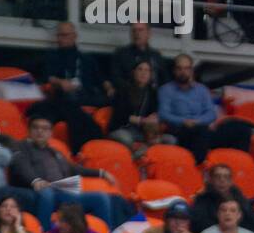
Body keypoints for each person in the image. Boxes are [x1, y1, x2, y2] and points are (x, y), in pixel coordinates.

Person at [8, 113, 121, 231]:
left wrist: (101, 173)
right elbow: (21, 167)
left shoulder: (54, 152)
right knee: (46, 192)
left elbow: (74, 168)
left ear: (51, 133)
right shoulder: (20, 147)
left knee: (100, 198)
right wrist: (35, 181)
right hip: (34, 190)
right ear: (29, 130)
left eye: (45, 128)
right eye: (36, 127)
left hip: (61, 192)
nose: (40, 131)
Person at [157, 55, 251, 163]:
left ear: (192, 70)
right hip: (180, 130)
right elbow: (163, 114)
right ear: (174, 71)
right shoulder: (166, 90)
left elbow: (211, 113)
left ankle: (238, 164)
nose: (183, 72)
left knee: (242, 128)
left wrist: (198, 121)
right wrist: (183, 121)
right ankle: (197, 166)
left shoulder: (201, 89)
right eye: (179, 68)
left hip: (202, 128)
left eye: (187, 68)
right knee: (201, 131)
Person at [39, 22, 105, 154]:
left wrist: (108, 85)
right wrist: (59, 82)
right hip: (62, 99)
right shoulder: (52, 57)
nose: (60, 39)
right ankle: (80, 149)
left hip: (86, 97)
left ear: (74, 36)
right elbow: (45, 78)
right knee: (68, 105)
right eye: (59, 35)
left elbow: (99, 82)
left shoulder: (87, 59)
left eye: (64, 35)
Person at [189, 162, 254, 233]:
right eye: (217, 177)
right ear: (211, 180)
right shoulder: (202, 199)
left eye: (226, 177)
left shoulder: (240, 198)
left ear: (231, 181)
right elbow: (199, 226)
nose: (222, 180)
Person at [107, 60, 162, 150]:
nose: (143, 73)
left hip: (142, 130)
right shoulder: (123, 90)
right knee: (127, 139)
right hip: (122, 128)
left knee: (168, 139)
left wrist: (153, 117)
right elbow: (119, 115)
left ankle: (142, 156)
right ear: (134, 72)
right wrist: (140, 120)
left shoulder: (152, 93)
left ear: (150, 74)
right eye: (140, 69)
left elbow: (153, 113)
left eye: (147, 70)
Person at [107, 22, 167, 94]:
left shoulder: (156, 56)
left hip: (153, 96)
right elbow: (115, 78)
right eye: (134, 31)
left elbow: (164, 79)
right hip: (128, 95)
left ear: (149, 34)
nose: (137, 33)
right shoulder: (121, 54)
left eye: (140, 30)